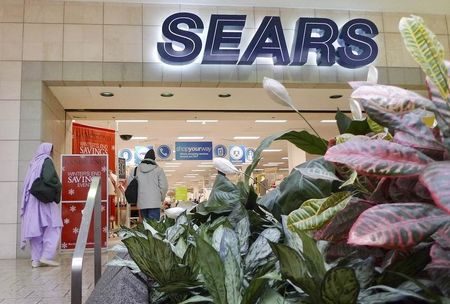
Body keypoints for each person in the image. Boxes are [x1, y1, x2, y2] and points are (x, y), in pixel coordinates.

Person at [20, 143, 62, 268]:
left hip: (33, 200)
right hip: (45, 200)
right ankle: (46, 256)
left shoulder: (34, 162)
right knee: (53, 226)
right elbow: (49, 178)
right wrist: (58, 185)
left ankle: (35, 259)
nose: (52, 153)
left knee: (36, 229)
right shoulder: (46, 160)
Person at [135, 149, 168, 220]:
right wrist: (161, 198)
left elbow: (130, 185)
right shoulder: (159, 170)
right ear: (154, 159)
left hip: (141, 202)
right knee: (153, 226)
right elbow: (164, 186)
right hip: (155, 202)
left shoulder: (136, 170)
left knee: (145, 225)